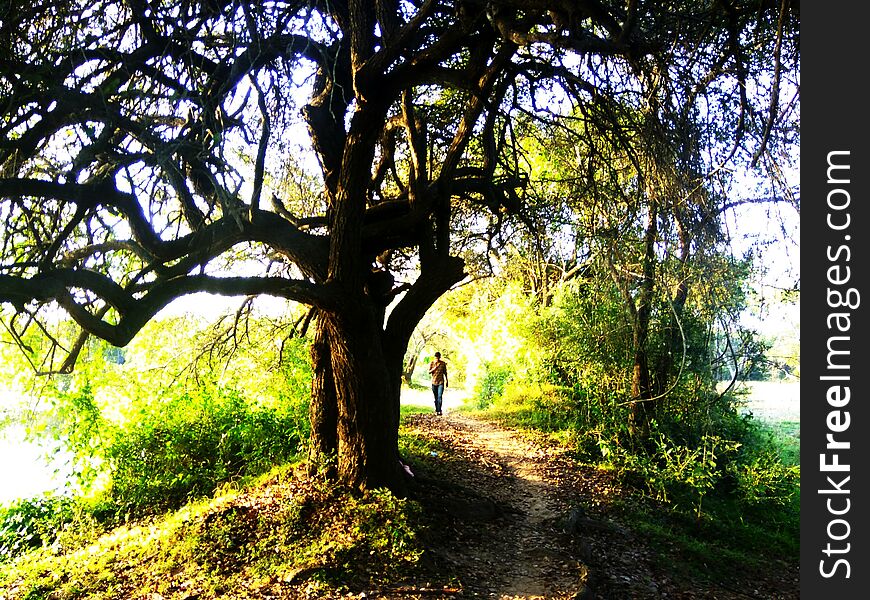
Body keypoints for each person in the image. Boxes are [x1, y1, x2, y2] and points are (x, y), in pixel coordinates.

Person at [428, 351, 448, 415]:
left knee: (439, 396)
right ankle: (437, 410)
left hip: (441, 382)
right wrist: (435, 368)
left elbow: (445, 372)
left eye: (438, 358)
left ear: (440, 357)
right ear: (435, 357)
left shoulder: (443, 363)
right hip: (434, 382)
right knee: (436, 397)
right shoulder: (432, 363)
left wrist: (447, 380)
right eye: (436, 358)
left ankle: (439, 410)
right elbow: (429, 372)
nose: (437, 359)